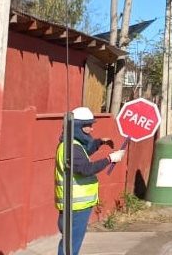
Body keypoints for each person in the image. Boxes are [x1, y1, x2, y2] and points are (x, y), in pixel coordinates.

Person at [55, 107, 125, 255]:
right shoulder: (71, 147)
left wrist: (100, 142)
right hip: (75, 207)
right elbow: (85, 168)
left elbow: (85, 151)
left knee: (70, 243)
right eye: (88, 125)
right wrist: (110, 159)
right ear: (78, 126)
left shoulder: (73, 144)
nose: (92, 129)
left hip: (75, 205)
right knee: (70, 246)